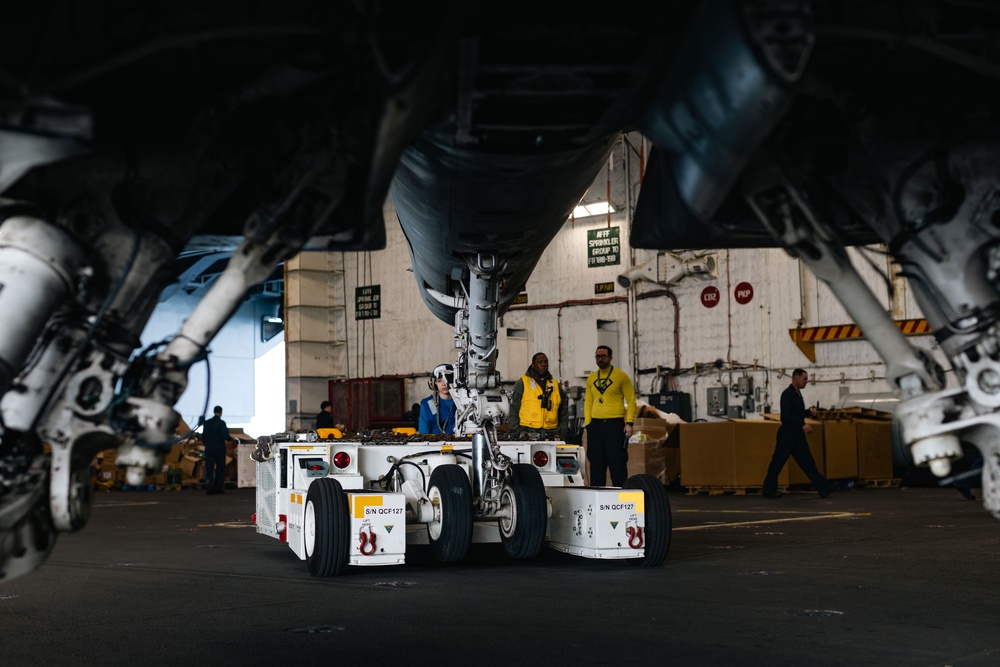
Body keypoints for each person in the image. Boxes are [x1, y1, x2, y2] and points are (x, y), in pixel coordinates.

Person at [761, 368, 835, 499]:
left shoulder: (797, 394)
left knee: (807, 462)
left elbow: (796, 413)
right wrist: (802, 424)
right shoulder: (787, 394)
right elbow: (787, 415)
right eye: (804, 379)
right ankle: (768, 489)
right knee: (778, 462)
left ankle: (823, 487)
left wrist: (808, 412)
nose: (806, 382)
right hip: (787, 434)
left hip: (796, 435)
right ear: (796, 378)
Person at [583, 345, 636, 487]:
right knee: (596, 463)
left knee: (617, 462)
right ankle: (597, 495)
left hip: (615, 426)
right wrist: (588, 423)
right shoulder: (592, 378)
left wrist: (629, 422)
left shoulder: (621, 377)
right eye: (598, 356)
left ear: (611, 358)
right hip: (596, 426)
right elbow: (588, 402)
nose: (600, 359)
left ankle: (621, 495)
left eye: (603, 356)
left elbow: (631, 400)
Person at [509, 352, 568, 439]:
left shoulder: (555, 385)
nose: (544, 365)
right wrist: (516, 430)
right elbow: (513, 408)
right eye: (540, 362)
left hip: (552, 432)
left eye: (545, 362)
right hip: (528, 432)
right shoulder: (522, 383)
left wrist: (562, 429)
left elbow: (563, 410)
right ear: (533, 365)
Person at [202, 405, 236, 495]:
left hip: (209, 448)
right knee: (220, 469)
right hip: (220, 449)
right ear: (221, 412)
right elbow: (225, 436)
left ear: (214, 412)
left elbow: (203, 436)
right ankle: (218, 488)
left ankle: (208, 488)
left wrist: (207, 444)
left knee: (209, 468)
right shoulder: (221, 423)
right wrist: (231, 440)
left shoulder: (207, 423)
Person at [418, 364, 457, 435]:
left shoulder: (463, 404)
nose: (443, 384)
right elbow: (423, 433)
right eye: (439, 381)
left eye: (446, 380)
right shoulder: (427, 405)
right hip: (433, 445)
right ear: (434, 383)